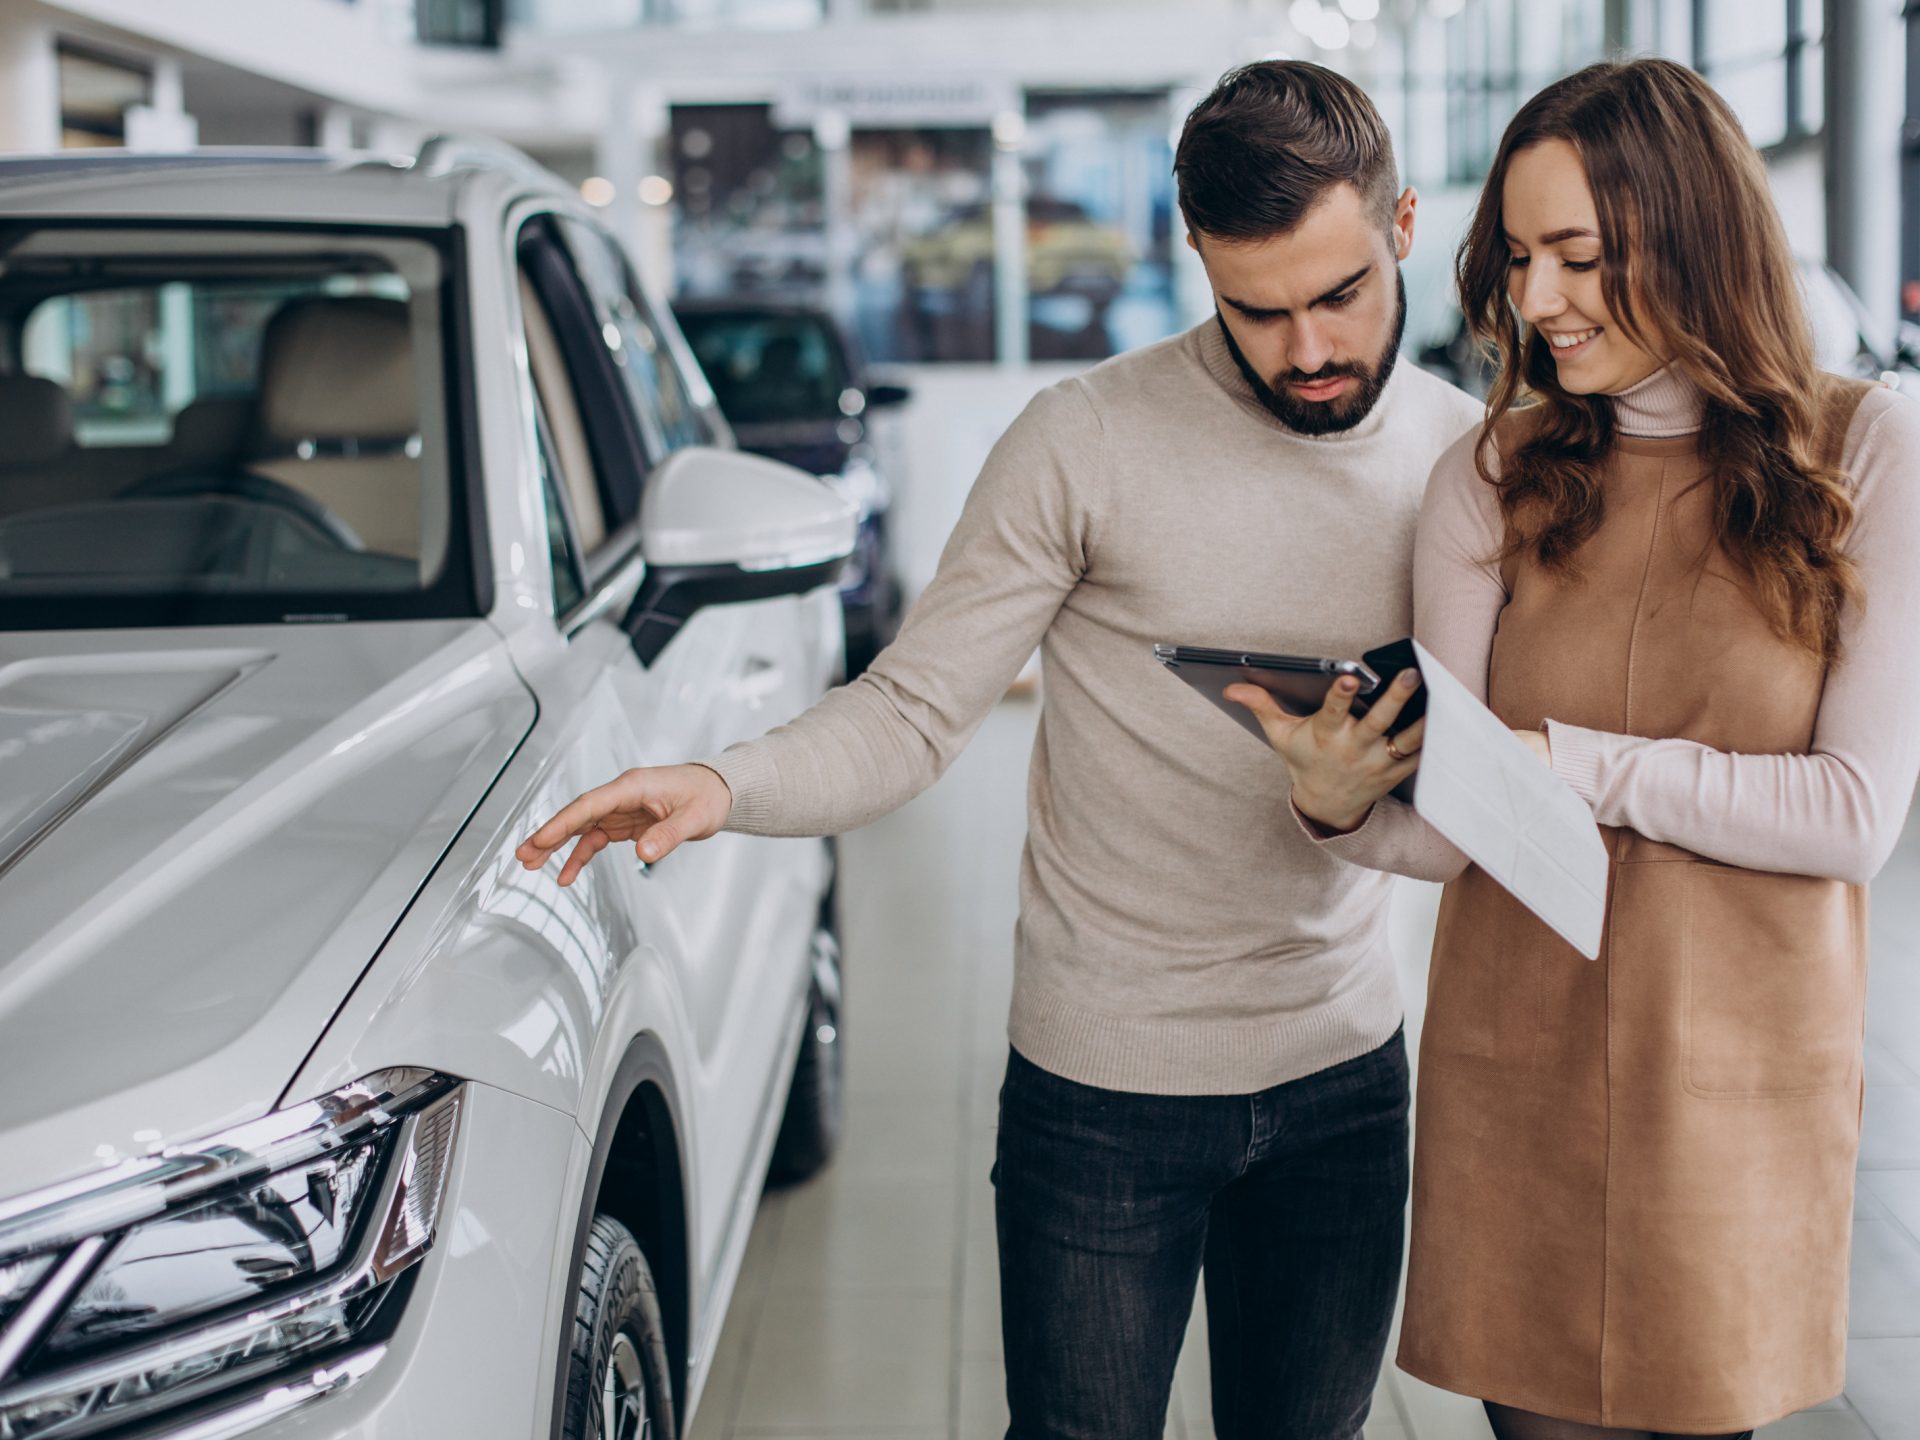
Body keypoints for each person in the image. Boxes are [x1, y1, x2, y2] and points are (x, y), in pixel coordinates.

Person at [518, 61, 1480, 1440]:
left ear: (1401, 232)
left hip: (1343, 1074)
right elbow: (914, 709)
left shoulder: (1467, 461)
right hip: (1106, 1092)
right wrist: (731, 782)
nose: (1308, 347)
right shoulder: (1082, 442)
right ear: (1196, 257)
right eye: (1255, 310)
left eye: (1340, 296)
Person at [1229, 59, 1920, 1440]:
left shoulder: (1867, 450)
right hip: (1522, 1067)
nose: (1535, 302)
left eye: (1579, 258)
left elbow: (1854, 816)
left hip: (1734, 1083)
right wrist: (1337, 807)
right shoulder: (1491, 474)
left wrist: (1586, 766)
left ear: (1695, 236)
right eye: (1520, 259)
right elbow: (1452, 821)